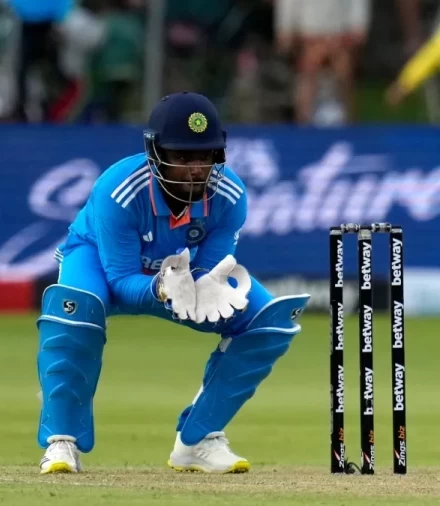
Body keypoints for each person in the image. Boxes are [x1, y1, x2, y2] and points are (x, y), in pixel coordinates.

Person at [35, 92, 309, 474]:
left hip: (177, 272)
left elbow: (210, 271)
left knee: (268, 322)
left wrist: (206, 286)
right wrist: (162, 288)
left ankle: (198, 441)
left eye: (205, 156)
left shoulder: (230, 195)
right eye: (182, 157)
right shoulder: (119, 189)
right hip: (97, 260)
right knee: (77, 309)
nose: (196, 169)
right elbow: (120, 280)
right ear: (155, 152)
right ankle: (62, 442)